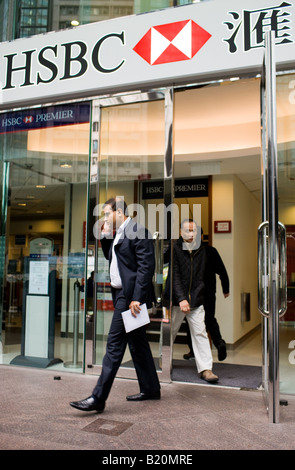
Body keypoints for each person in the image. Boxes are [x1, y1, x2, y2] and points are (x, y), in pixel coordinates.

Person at [70, 197, 160, 412]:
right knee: (138, 344)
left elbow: (146, 268)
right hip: (122, 295)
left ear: (119, 212)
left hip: (130, 299)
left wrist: (136, 298)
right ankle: (151, 389)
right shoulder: (119, 232)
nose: (105, 217)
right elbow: (113, 256)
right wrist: (103, 236)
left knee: (114, 345)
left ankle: (98, 397)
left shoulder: (139, 231)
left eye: (107, 213)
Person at [171, 218, 218, 383]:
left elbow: (200, 277)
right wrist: (182, 298)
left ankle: (206, 369)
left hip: (196, 300)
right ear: (180, 232)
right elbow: (174, 276)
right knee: (171, 331)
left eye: (193, 230)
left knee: (200, 333)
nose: (190, 234)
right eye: (187, 231)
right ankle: (165, 358)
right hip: (177, 300)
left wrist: (197, 296)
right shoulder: (174, 249)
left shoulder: (202, 250)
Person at [183, 232, 229, 362]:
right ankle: (219, 342)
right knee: (209, 319)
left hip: (193, 293)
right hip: (209, 292)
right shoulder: (211, 251)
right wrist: (226, 289)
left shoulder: (189, 252)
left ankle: (193, 350)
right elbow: (222, 270)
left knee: (190, 321)